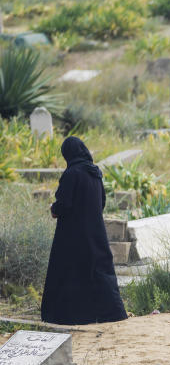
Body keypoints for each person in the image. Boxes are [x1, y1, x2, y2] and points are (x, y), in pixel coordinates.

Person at [40, 137, 127, 325]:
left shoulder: (72, 173)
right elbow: (102, 202)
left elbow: (64, 204)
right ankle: (113, 313)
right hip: (95, 232)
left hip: (72, 235)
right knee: (99, 271)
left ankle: (70, 316)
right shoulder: (95, 173)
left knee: (69, 272)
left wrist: (53, 208)